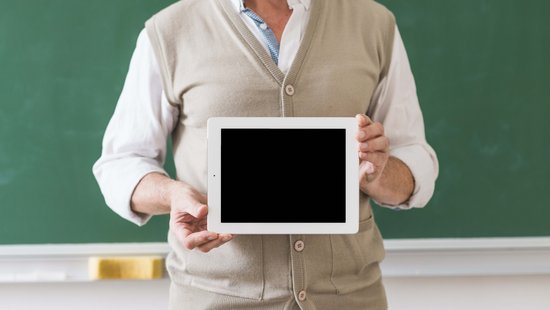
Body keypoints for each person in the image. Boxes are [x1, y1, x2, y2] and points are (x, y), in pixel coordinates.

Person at [93, 0, 438, 309]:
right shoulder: (169, 32)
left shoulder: (373, 23)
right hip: (216, 298)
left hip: (349, 297)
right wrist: (174, 195)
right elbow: (120, 164)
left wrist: (381, 172)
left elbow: (414, 161)